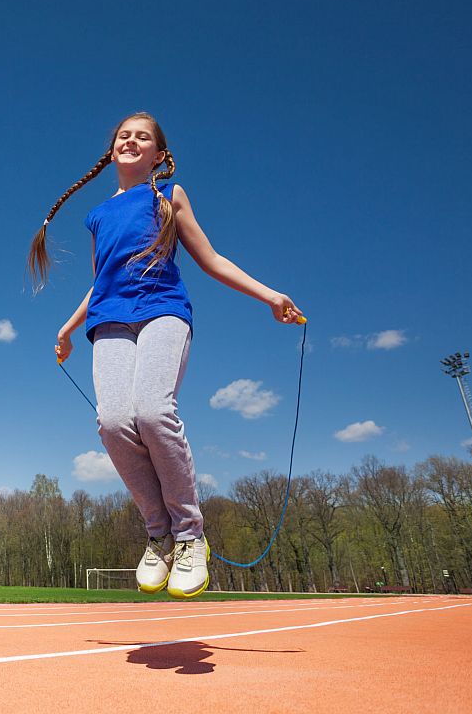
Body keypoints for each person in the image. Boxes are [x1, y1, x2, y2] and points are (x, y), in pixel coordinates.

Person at [28, 112, 303, 598]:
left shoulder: (167, 196)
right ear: (112, 149)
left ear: (158, 155)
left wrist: (270, 295)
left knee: (153, 412)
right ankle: (159, 535)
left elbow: (211, 259)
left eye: (143, 137)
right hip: (109, 321)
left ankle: (190, 535)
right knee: (113, 422)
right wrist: (67, 329)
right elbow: (101, 283)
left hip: (162, 311)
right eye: (123, 135)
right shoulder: (97, 216)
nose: (131, 141)